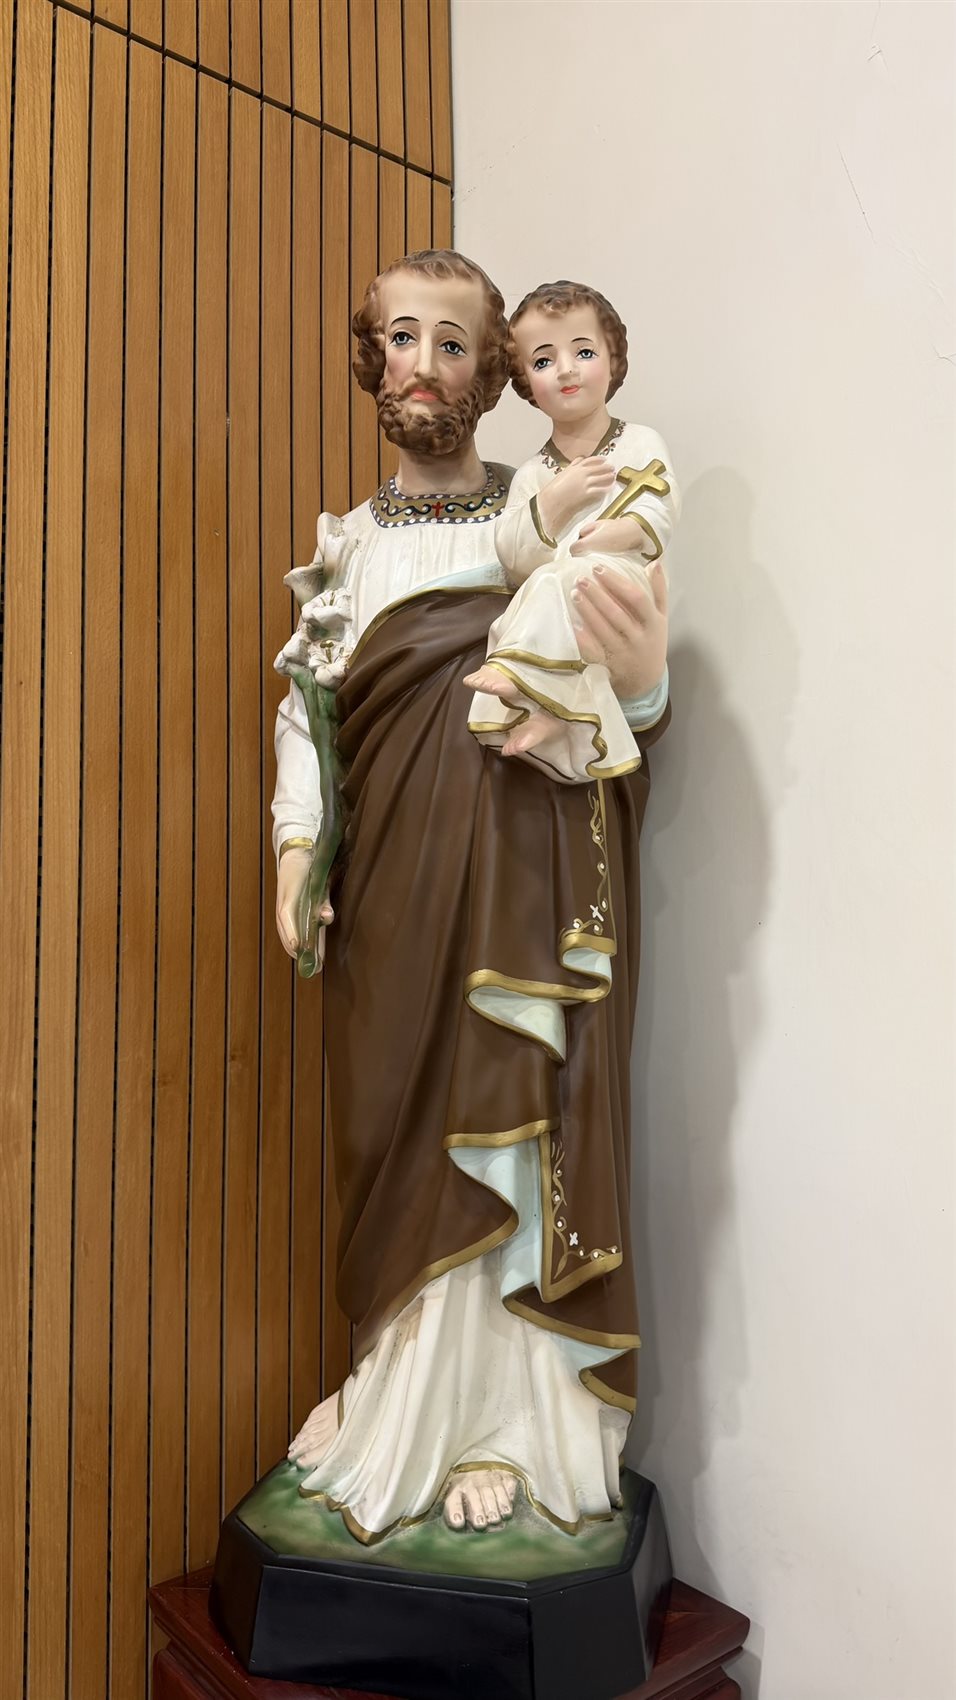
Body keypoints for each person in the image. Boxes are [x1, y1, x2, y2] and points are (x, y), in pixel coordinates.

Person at [272, 249, 671, 1541]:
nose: (427, 366)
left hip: (524, 874)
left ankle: (506, 1420)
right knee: (399, 1128)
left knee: (520, 1117)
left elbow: (619, 679)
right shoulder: (344, 551)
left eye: (454, 343)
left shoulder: (545, 507)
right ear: (371, 361)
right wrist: (296, 851)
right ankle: (398, 1392)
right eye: (404, 337)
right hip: (392, 895)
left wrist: (645, 674)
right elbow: (310, 717)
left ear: (493, 371)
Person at [465, 280, 680, 783]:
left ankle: (523, 680)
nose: (565, 369)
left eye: (583, 352)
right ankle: (546, 711)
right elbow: (513, 554)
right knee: (544, 584)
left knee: (556, 581)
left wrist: (619, 535)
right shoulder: (532, 475)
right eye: (543, 360)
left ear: (613, 359)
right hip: (560, 595)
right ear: (525, 381)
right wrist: (556, 500)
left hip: (615, 587)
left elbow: (661, 506)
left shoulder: (639, 442)